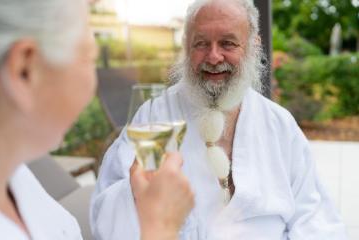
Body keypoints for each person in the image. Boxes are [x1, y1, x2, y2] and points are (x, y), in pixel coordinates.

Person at [90, 0, 348, 239]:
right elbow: (107, 213)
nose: (213, 57)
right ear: (186, 46)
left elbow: (316, 220)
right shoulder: (157, 116)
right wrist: (138, 193)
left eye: (228, 43)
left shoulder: (278, 124)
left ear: (253, 46)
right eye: (201, 43)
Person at [0, 0, 193, 239]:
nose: (93, 85)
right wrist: (160, 226)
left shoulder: (16, 178)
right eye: (89, 57)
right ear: (25, 69)